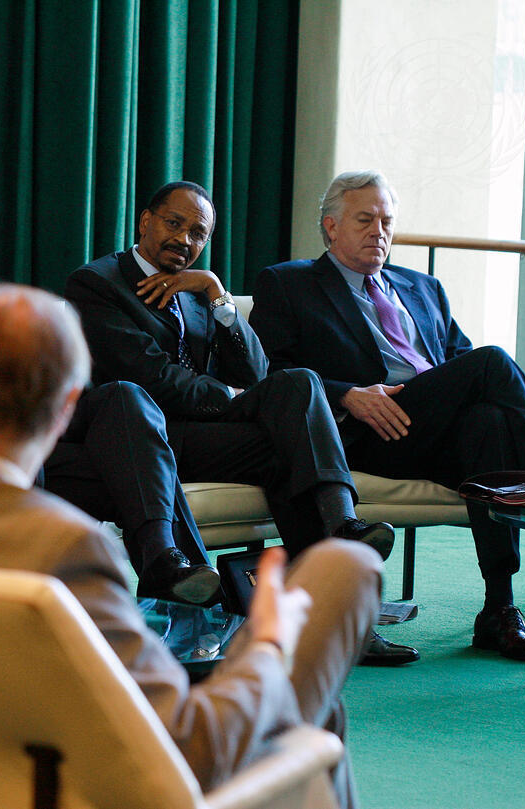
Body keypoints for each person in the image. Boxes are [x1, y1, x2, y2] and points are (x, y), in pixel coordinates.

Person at [0, 286, 381, 807]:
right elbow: (192, 750)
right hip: (51, 782)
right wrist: (268, 642)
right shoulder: (64, 548)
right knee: (342, 574)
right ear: (66, 407)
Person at [64, 180, 413, 665]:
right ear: (145, 221)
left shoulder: (196, 290)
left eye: (197, 233)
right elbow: (152, 380)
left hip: (200, 435)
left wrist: (217, 295)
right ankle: (207, 614)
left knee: (299, 389)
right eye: (173, 224)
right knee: (282, 426)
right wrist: (232, 396)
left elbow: (257, 373)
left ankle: (341, 545)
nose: (184, 239)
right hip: (139, 438)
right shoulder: (97, 283)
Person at [0, 178, 219, 603]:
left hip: (38, 444)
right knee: (138, 470)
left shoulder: (5, 307)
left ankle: (167, 564)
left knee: (125, 397)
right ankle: (181, 581)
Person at [251, 170, 525, 662]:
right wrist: (346, 395)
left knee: (489, 423)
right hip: (368, 432)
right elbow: (270, 374)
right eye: (364, 220)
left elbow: (459, 362)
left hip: (435, 430)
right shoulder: (289, 283)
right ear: (331, 226)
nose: (379, 232)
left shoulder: (423, 286)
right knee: (493, 362)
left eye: (387, 221)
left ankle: (498, 609)